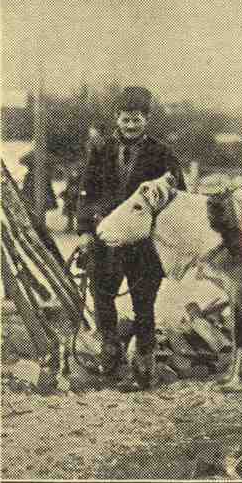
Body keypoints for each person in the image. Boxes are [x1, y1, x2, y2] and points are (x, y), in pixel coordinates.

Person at [76, 86, 186, 391]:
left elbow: (178, 198)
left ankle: (143, 366)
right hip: (106, 241)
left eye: (137, 119)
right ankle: (110, 355)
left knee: (144, 305)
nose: (131, 125)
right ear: (117, 118)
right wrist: (85, 230)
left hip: (144, 246)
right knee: (102, 297)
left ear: (146, 119)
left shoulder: (162, 154)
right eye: (126, 119)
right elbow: (85, 192)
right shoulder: (101, 151)